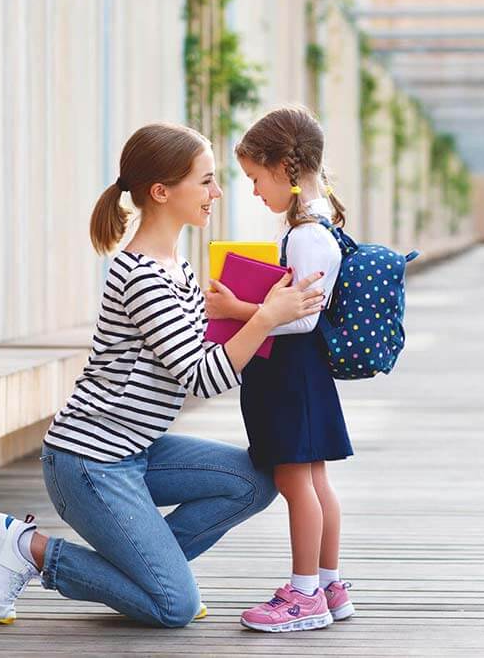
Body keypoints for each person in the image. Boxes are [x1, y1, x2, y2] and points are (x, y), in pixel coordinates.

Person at [0, 122, 326, 627]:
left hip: (136, 451)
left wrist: (250, 310)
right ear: (162, 192)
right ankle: (29, 549)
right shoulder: (141, 276)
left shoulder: (177, 267)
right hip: (88, 462)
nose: (217, 192)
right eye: (205, 181)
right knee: (173, 607)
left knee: (255, 481)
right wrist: (268, 316)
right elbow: (202, 377)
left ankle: (149, 574)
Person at [205, 106, 355, 632]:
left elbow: (299, 320)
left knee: (298, 485)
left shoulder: (306, 235)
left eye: (254, 177)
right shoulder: (317, 227)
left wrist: (234, 311)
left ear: (283, 169)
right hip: (302, 377)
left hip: (289, 376)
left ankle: (305, 593)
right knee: (314, 483)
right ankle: (329, 584)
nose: (252, 191)